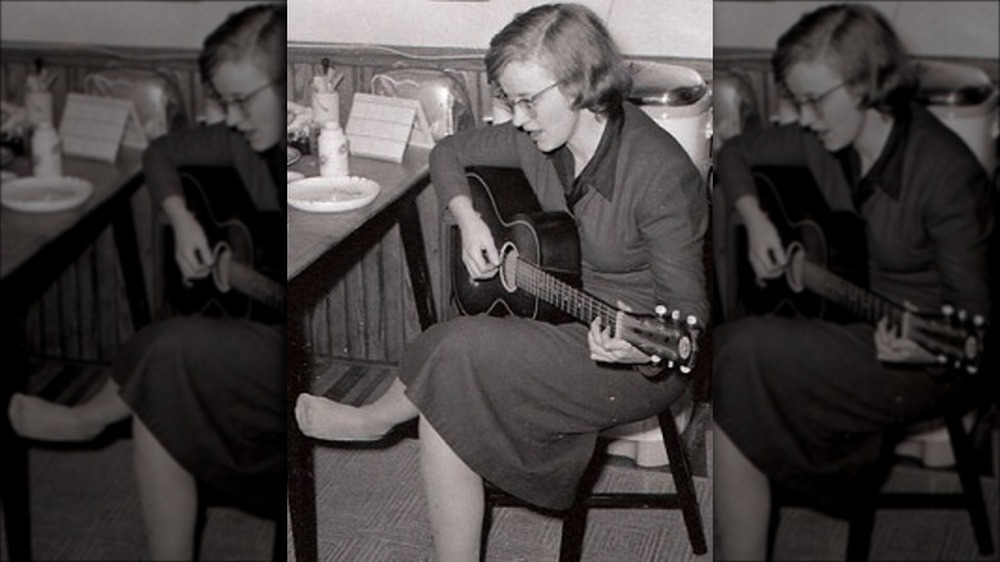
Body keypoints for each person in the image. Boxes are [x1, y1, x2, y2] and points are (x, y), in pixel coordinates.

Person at [294, 3, 708, 560]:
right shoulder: (535, 138)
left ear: (582, 85)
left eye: (527, 100)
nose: (516, 117)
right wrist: (466, 219)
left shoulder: (660, 176)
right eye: (508, 101)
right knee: (456, 383)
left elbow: (688, 325)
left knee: (460, 348)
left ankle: (379, 418)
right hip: (557, 317)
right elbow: (448, 153)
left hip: (630, 357)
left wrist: (637, 348)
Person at [711, 4, 992, 560]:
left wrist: (922, 348)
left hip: (924, 355)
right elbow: (737, 152)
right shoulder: (824, 142)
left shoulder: (944, 173)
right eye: (797, 101)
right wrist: (758, 219)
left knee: (737, 354)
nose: (805, 116)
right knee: (734, 370)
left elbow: (979, 332)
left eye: (815, 100)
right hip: (849, 321)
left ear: (866, 83)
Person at [7, 4, 286, 559]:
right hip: (264, 348)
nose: (231, 117)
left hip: (293, 362)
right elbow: (161, 154)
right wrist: (181, 219)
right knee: (166, 382)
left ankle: (91, 419)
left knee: (170, 347)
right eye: (223, 101)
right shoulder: (241, 143)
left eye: (242, 99)